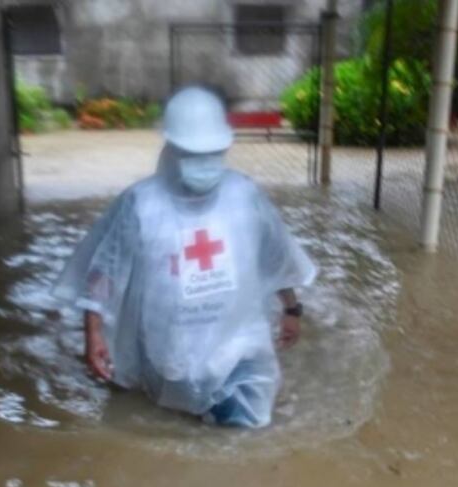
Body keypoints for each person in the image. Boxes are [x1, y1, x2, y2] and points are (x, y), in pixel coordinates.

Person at [49, 86, 316, 428]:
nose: (204, 163)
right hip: (171, 344)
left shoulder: (244, 194)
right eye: (193, 153)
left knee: (249, 427)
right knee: (177, 414)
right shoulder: (142, 204)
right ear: (172, 149)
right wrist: (95, 334)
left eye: (213, 153)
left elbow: (275, 255)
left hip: (241, 342)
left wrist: (292, 309)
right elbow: (107, 271)